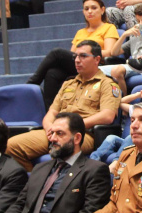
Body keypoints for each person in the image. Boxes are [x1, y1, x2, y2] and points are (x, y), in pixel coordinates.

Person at [8, 41, 120, 172]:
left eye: (83, 56)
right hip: (56, 131)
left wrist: (71, 126)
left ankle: (54, 181)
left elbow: (107, 116)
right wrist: (50, 128)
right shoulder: (68, 84)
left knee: (59, 150)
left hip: (82, 134)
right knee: (11, 146)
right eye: (75, 56)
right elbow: (51, 112)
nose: (77, 60)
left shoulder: (107, 84)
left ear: (97, 59)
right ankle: (36, 180)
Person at [27, 0, 119, 109]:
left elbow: (109, 52)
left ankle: (32, 83)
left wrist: (87, 53)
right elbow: (73, 55)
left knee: (57, 53)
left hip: (96, 64)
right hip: (79, 65)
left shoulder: (109, 27)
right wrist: (80, 56)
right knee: (52, 73)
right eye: (86, 9)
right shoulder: (80, 32)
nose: (90, 11)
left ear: (102, 10)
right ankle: (51, 112)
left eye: (94, 8)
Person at [100, 4, 142, 95]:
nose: (141, 24)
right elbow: (114, 52)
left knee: (116, 70)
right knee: (95, 70)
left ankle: (123, 100)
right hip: (133, 67)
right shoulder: (134, 37)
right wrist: (124, 35)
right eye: (138, 21)